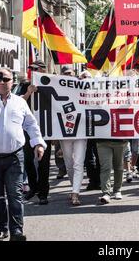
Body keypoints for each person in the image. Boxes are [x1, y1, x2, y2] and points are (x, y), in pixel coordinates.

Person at [0, 69, 46, 241]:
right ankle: (2, 229)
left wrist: (38, 143)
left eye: (5, 79)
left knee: (15, 195)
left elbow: (31, 124)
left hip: (14, 157)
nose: (1, 82)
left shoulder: (20, 102)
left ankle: (16, 231)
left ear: (12, 82)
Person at [21, 60, 53, 205]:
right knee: (28, 161)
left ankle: (43, 192)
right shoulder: (24, 85)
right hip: (28, 129)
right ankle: (33, 188)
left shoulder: (51, 83)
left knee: (43, 163)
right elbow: (18, 102)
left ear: (43, 69)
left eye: (36, 69)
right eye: (31, 69)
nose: (33, 71)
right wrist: (28, 92)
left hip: (46, 129)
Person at [59, 67, 88, 206]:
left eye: (70, 74)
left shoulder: (81, 87)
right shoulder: (58, 88)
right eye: (65, 74)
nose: (68, 76)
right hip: (64, 131)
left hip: (81, 130)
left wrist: (87, 82)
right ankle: (73, 186)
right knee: (69, 163)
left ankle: (76, 192)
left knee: (78, 163)